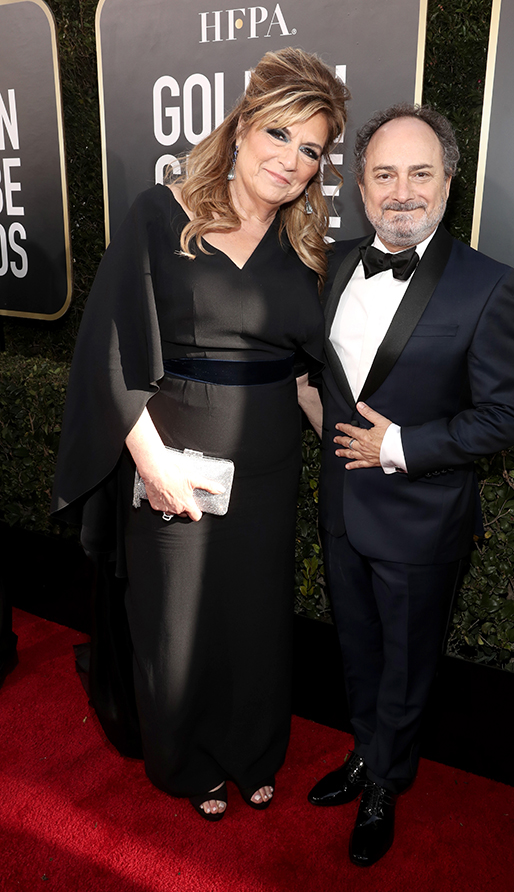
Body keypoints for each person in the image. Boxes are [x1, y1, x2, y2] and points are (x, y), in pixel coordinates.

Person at [52, 48, 348, 820]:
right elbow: (111, 354)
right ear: (244, 125)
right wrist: (152, 466)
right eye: (279, 134)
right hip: (173, 460)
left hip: (269, 471)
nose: (291, 160)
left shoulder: (303, 248)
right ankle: (188, 760)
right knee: (176, 622)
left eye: (310, 149)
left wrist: (356, 444)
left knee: (255, 619)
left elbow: (304, 376)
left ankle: (253, 750)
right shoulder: (162, 215)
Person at [308, 104, 514, 865]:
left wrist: (402, 445)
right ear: (361, 187)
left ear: (447, 181)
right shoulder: (331, 265)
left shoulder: (487, 285)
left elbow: (509, 415)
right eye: (384, 174)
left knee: (407, 664)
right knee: (357, 650)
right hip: (342, 507)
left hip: (422, 517)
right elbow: (324, 380)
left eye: (419, 173)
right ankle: (364, 752)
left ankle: (387, 781)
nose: (401, 191)